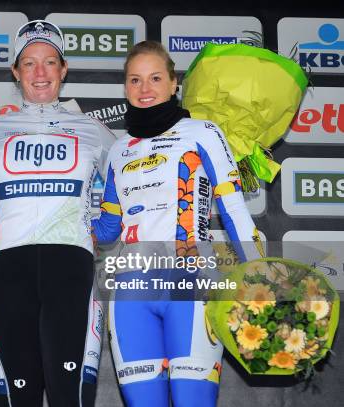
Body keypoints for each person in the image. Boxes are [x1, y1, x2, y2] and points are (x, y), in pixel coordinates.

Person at [92, 41, 263, 407]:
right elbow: (106, 230)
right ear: (125, 88)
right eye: (135, 80)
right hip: (131, 293)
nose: (145, 88)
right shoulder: (119, 150)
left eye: (155, 78)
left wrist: (258, 276)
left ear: (174, 84)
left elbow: (232, 210)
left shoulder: (202, 132)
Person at [0, 20, 116, 407]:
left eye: (50, 62)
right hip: (5, 272)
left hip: (70, 269)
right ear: (16, 73)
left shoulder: (92, 130)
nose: (40, 73)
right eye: (30, 63)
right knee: (18, 400)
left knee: (71, 398)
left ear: (63, 69)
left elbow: (131, 181)